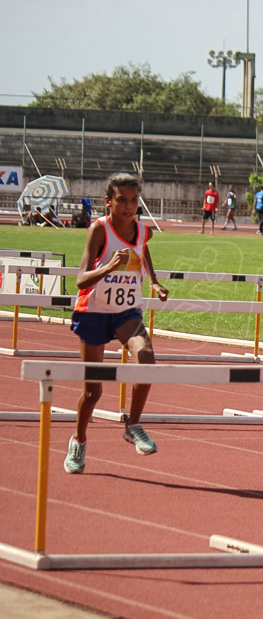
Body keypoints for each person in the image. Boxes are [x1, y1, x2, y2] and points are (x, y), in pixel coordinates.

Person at [63, 172, 170, 474]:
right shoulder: (99, 230)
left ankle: (133, 424)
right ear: (107, 201)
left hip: (126, 312)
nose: (128, 206)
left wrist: (154, 281)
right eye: (121, 200)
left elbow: (142, 249)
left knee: (146, 357)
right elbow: (81, 280)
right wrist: (109, 266)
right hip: (94, 311)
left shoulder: (142, 230)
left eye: (134, 200)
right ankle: (79, 440)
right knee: (93, 391)